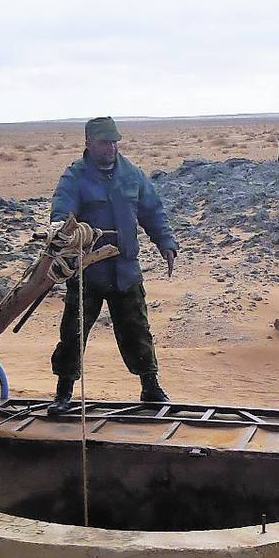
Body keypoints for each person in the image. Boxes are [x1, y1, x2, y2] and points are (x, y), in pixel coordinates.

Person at [47, 117, 178, 414]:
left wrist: (166, 243)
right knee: (73, 332)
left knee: (137, 330)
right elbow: (61, 213)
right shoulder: (75, 177)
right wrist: (63, 234)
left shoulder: (132, 175)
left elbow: (153, 211)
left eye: (115, 141)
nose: (112, 147)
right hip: (88, 272)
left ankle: (150, 386)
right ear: (88, 143)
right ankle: (64, 391)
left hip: (125, 270)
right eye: (105, 142)